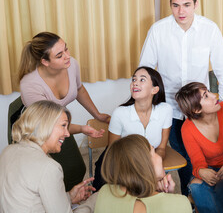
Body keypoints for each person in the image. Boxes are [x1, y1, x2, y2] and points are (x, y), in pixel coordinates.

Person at [139, 0, 223, 195]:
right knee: (185, 157)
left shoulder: (209, 29)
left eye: (186, 5)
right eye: (175, 5)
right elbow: (144, 70)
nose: (181, 11)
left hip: (199, 106)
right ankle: (189, 197)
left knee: (204, 154)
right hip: (170, 107)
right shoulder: (158, 30)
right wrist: (144, 106)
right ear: (170, 4)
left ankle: (208, 195)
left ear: (196, 4)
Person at [19, 31, 110, 191]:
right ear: (45, 61)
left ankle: (68, 200)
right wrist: (82, 129)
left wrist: (97, 114)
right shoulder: (30, 85)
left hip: (58, 123)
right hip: (36, 131)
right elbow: (50, 125)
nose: (67, 56)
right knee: (46, 177)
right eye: (60, 55)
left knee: (75, 169)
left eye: (66, 49)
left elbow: (79, 89)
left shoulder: (71, 64)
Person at [0, 100, 97, 213]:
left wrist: (69, 196)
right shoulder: (49, 167)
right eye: (63, 126)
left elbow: (28, 200)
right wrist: (93, 203)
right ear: (45, 126)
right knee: (97, 198)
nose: (67, 134)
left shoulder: (8, 151)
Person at [92, 66, 172, 190]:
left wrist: (152, 164)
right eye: (134, 79)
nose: (135, 83)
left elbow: (161, 148)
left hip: (148, 161)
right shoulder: (119, 113)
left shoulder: (165, 110)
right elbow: (113, 152)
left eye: (142, 80)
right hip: (119, 161)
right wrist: (139, 168)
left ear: (155, 89)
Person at [175, 82, 223, 213]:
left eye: (209, 91)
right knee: (196, 186)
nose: (214, 95)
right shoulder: (187, 129)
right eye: (206, 96)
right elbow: (198, 163)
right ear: (196, 110)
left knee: (205, 199)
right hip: (216, 172)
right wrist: (201, 171)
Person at [94, 134, 192, 213]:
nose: (159, 157)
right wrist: (170, 197)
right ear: (145, 164)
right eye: (154, 152)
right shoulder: (181, 203)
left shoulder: (105, 192)